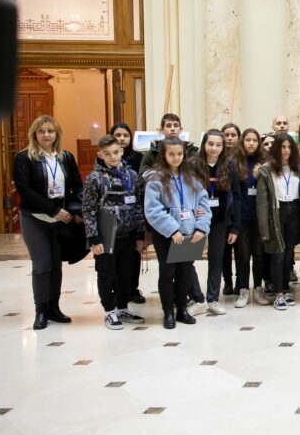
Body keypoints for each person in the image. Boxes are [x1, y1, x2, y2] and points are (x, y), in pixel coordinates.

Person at [14, 115, 84, 330]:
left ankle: (54, 307)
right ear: (34, 134)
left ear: (57, 134)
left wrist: (77, 210)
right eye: (41, 131)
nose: (46, 135)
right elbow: (25, 191)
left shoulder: (66, 157)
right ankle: (41, 310)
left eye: (50, 131)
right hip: (35, 218)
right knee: (42, 265)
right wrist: (54, 210)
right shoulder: (24, 158)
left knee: (55, 265)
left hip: (61, 219)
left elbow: (77, 187)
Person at [144, 138, 211, 329]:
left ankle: (182, 308)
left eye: (179, 154)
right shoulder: (155, 179)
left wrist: (200, 228)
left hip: (189, 233)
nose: (176, 158)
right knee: (167, 272)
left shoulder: (191, 178)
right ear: (164, 155)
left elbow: (204, 206)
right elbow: (153, 210)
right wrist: (172, 229)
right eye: (171, 154)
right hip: (166, 235)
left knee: (184, 272)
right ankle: (168, 312)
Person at [82, 135, 145, 329]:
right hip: (106, 235)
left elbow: (137, 206)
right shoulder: (95, 178)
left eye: (116, 152)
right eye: (107, 154)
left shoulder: (132, 175)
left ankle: (122, 307)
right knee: (107, 273)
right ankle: (109, 311)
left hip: (129, 234)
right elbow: (88, 209)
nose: (112, 157)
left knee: (126, 274)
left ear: (122, 151)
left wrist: (140, 233)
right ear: (100, 154)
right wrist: (93, 237)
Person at [189, 129, 241, 316]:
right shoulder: (192, 165)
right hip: (196, 221)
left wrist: (235, 226)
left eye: (218, 145)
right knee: (188, 260)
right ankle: (197, 298)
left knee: (216, 260)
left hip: (220, 221)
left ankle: (212, 299)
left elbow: (236, 196)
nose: (214, 148)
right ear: (204, 144)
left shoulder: (229, 165)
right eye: (211, 144)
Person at [256, 133, 300, 311]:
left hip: (295, 211)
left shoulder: (297, 167)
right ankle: (278, 293)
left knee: (288, 254)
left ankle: (285, 288)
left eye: (289, 147)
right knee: (277, 253)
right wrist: (264, 229)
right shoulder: (266, 170)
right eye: (282, 147)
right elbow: (262, 202)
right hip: (277, 212)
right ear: (276, 149)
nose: (286, 151)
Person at [108, 122, 146, 305]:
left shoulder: (138, 157)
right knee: (114, 255)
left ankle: (132, 288)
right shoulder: (104, 159)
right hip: (111, 215)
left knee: (133, 253)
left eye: (125, 135)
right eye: (118, 135)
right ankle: (116, 289)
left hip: (132, 212)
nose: (122, 138)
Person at [233, 128, 269, 308]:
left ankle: (258, 288)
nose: (251, 143)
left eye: (255, 140)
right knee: (243, 255)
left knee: (259, 254)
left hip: (260, 217)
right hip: (242, 217)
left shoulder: (265, 162)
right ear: (242, 141)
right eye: (248, 140)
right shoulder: (235, 162)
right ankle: (243, 290)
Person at [218, 122, 242, 295]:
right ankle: (227, 281)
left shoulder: (243, 158)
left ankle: (240, 282)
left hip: (240, 209)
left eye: (233, 135)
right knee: (224, 251)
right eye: (226, 135)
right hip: (222, 210)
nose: (229, 138)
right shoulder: (217, 157)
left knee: (241, 251)